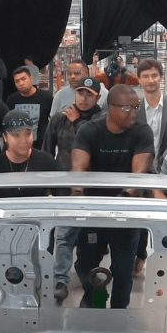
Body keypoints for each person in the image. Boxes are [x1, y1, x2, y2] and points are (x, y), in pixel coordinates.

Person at [70, 85, 154, 309]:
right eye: (127, 108)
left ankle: (118, 312)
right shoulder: (89, 130)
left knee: (123, 271)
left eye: (136, 107)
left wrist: (123, 198)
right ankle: (96, 300)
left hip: (125, 214)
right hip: (93, 213)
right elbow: (78, 171)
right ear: (111, 108)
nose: (134, 112)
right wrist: (77, 195)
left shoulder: (142, 132)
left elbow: (137, 178)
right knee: (86, 265)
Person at [0, 110, 61, 197]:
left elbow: (62, 193)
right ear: (5, 137)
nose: (23, 140)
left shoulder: (46, 161)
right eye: (16, 135)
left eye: (28, 134)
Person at [135, 59, 167, 158]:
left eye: (154, 76)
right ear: (139, 80)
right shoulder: (135, 111)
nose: (150, 80)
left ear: (161, 77)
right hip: (142, 166)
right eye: (145, 76)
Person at [5, 66, 53, 150]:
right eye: (17, 81)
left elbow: (53, 120)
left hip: (40, 146)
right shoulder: (12, 100)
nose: (21, 83)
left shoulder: (46, 97)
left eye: (24, 79)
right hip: (19, 145)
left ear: (31, 78)